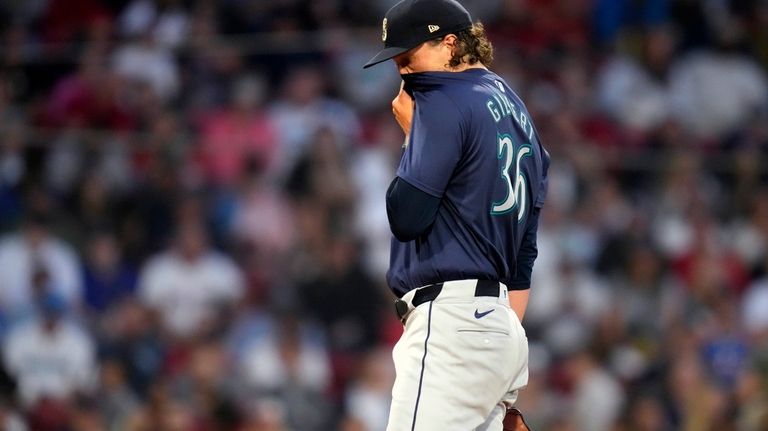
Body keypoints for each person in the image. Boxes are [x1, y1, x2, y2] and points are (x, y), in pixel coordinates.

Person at [363, 0, 549, 429]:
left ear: (450, 44)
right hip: (500, 330)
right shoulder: (520, 114)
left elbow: (406, 216)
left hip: (453, 327)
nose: (403, 71)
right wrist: (496, 337)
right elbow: (523, 258)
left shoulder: (443, 99)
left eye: (409, 57)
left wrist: (413, 140)